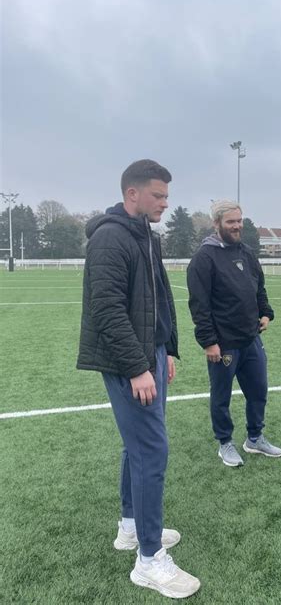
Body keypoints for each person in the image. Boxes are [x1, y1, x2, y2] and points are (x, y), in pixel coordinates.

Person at [77, 159, 200, 598]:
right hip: (128, 361)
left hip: (152, 354)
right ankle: (149, 561)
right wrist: (136, 367)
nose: (166, 204)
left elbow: (160, 298)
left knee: (139, 445)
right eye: (158, 196)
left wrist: (168, 348)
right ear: (133, 194)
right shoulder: (111, 237)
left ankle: (131, 527)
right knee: (152, 449)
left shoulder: (146, 234)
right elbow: (106, 308)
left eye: (167, 196)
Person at [186, 200, 281, 467]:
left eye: (239, 220)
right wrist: (208, 342)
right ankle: (225, 443)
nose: (237, 225)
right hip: (223, 344)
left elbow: (259, 287)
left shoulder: (247, 252)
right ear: (216, 224)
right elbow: (199, 305)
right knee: (221, 396)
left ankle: (254, 438)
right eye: (231, 221)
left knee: (258, 390)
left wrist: (265, 312)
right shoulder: (204, 258)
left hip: (251, 338)